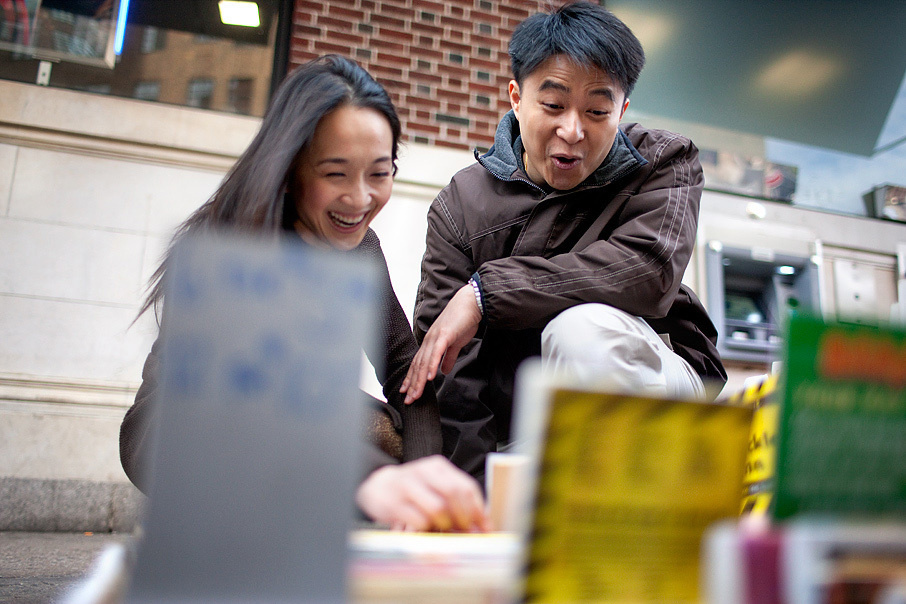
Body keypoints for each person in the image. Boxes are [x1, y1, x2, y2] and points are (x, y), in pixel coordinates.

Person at [120, 55, 488, 533]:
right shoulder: (229, 242)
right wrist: (371, 477)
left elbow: (404, 370)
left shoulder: (359, 249)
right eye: (336, 174)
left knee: (389, 433)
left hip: (298, 437)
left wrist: (420, 475)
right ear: (290, 166)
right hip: (176, 431)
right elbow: (237, 402)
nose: (360, 199)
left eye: (379, 173)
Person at [401, 2, 727, 483]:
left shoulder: (664, 161)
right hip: (530, 434)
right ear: (516, 98)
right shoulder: (460, 206)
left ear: (622, 111)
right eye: (553, 106)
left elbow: (648, 270)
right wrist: (470, 499)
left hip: (658, 397)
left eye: (597, 111)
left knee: (583, 330)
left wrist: (485, 294)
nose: (572, 131)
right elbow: (452, 376)